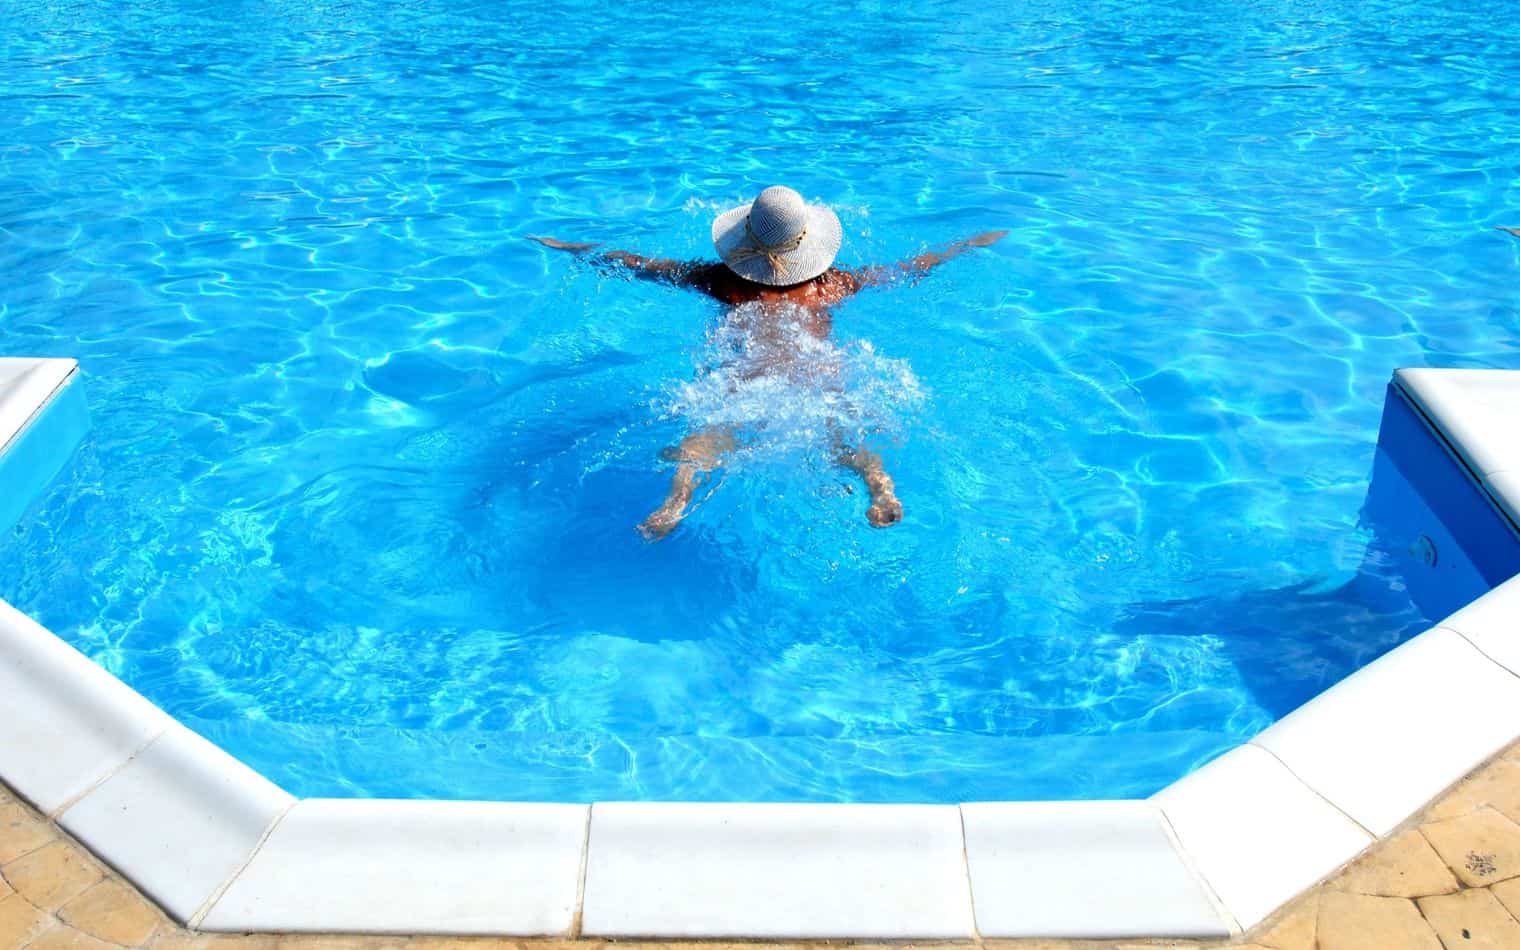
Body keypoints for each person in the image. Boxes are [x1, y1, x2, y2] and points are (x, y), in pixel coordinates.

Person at [531, 185, 1006, 540]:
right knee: (844, 434)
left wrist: (576, 249)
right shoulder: (832, 285)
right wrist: (960, 249)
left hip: (744, 380)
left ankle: (676, 501)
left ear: (744, 241)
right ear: (807, 245)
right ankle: (880, 488)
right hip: (815, 374)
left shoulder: (721, 281)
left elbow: (642, 264)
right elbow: (907, 271)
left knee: (704, 437)